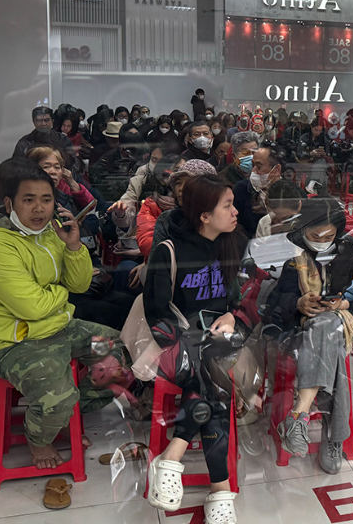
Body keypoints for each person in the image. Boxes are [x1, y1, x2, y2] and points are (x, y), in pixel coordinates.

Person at [0, 160, 123, 471]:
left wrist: (74, 247)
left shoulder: (50, 233)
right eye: (28, 200)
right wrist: (60, 292)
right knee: (58, 395)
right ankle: (39, 438)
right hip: (12, 344)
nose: (39, 209)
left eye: (46, 199)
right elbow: (34, 307)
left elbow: (79, 284)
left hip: (58, 329)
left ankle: (64, 414)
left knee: (117, 353)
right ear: (9, 204)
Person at [144, 175, 246, 519]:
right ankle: (220, 490)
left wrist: (232, 316)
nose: (235, 211)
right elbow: (157, 315)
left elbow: (246, 301)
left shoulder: (232, 245)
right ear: (204, 215)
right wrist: (189, 343)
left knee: (211, 372)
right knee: (213, 380)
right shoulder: (169, 250)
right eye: (227, 205)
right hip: (175, 346)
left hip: (219, 344)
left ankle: (172, 456)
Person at [264, 198, 353, 474]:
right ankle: (334, 438)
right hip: (301, 333)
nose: (322, 242)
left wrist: (344, 303)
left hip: (337, 326)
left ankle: (298, 415)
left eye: (328, 236)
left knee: (328, 326)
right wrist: (298, 304)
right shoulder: (295, 262)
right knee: (329, 338)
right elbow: (276, 306)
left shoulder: (349, 256)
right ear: (304, 233)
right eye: (315, 236)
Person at [144, 159, 216, 257]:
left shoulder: (223, 219)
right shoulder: (167, 219)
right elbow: (157, 261)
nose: (181, 188)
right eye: (178, 183)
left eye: (189, 182)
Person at [232, 145, 282, 238]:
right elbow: (235, 226)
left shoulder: (291, 193)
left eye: (259, 166)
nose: (253, 171)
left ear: (276, 169)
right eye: (252, 165)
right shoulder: (241, 189)